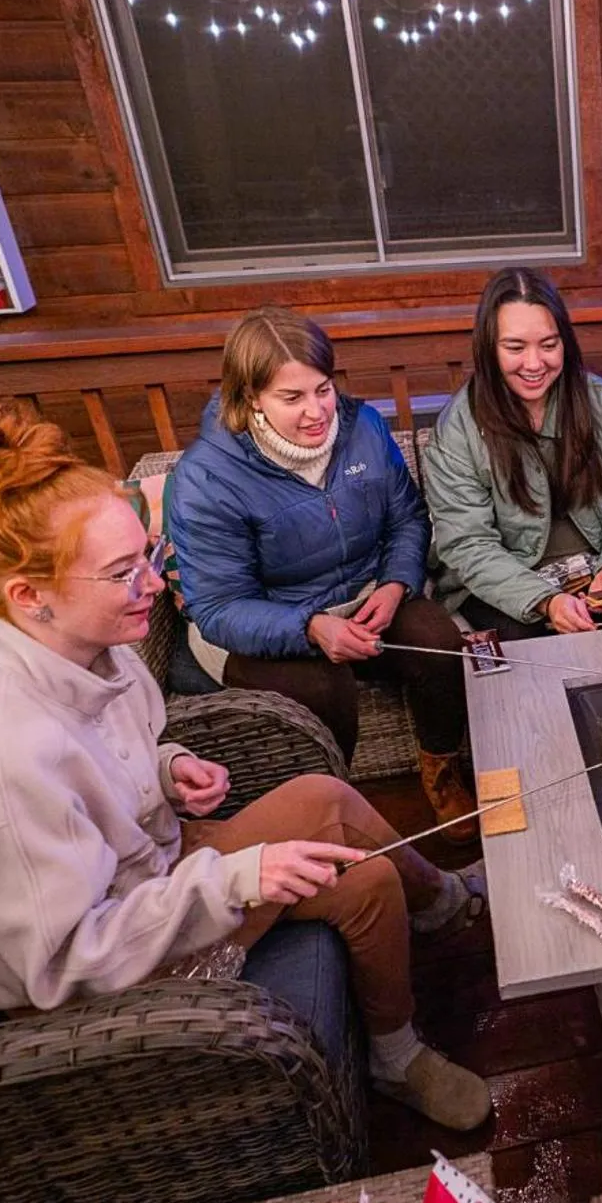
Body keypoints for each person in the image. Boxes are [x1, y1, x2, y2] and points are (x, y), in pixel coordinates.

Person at [0, 400, 491, 1131]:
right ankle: (396, 1053)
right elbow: (73, 965)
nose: (157, 587)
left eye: (149, 558)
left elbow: (100, 765)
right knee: (364, 879)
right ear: (29, 597)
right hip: (93, 981)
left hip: (147, 870)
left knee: (324, 794)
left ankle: (446, 903)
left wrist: (167, 768)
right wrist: (237, 877)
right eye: (123, 573)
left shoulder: (87, 654)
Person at [166, 308, 478, 838]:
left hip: (362, 594)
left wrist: (397, 581)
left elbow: (406, 516)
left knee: (438, 642)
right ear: (249, 399)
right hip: (263, 623)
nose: (316, 412)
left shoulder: (364, 427)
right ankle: (335, 811)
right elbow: (217, 608)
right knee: (322, 686)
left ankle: (441, 775)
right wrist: (309, 626)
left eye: (323, 389)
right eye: (292, 398)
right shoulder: (204, 478)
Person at [421, 267, 602, 639]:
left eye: (548, 345)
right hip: (503, 581)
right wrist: (544, 600)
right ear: (489, 347)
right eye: (515, 348)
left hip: (596, 564)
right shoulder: (458, 428)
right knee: (532, 654)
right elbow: (468, 542)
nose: (534, 364)